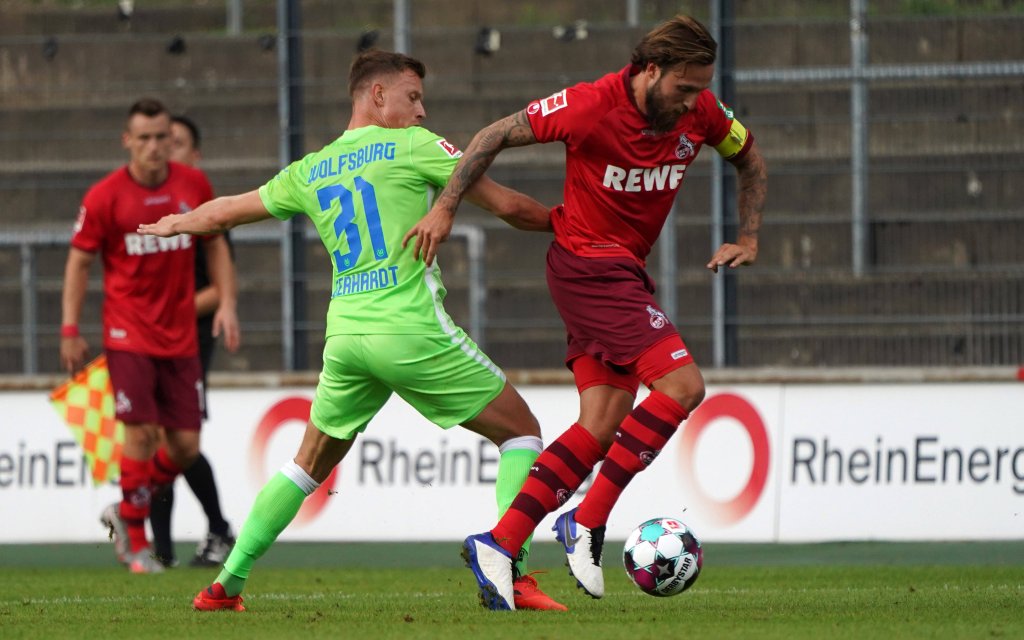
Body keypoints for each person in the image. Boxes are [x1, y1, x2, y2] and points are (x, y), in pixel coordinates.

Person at [138, 50, 565, 612]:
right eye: (412, 97)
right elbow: (508, 205)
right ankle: (514, 572)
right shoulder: (416, 145)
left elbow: (228, 211)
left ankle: (226, 584)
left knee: (306, 464)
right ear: (377, 96)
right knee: (522, 433)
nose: (421, 109)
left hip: (345, 338)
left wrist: (177, 221)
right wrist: (572, 224)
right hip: (408, 329)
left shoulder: (311, 168)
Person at [404, 15, 768, 609]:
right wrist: (446, 206)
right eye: (683, 88)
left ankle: (500, 542)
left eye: (701, 88)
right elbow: (492, 134)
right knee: (682, 385)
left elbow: (750, 159)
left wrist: (748, 236)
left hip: (621, 270)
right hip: (588, 266)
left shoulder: (702, 113)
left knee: (599, 425)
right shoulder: (590, 105)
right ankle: (588, 520)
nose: (692, 102)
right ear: (650, 70)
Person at [60, 98, 241, 574]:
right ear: (127, 142)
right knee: (139, 434)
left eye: (162, 137)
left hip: (180, 336)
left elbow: (217, 240)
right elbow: (79, 262)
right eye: (144, 138)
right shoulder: (105, 197)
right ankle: (137, 546)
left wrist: (226, 300)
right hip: (128, 333)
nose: (155, 147)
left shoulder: (193, 185)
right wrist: (69, 329)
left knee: (183, 446)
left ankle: (126, 511)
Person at [146, 114, 237, 568]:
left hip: (189, 338)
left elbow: (219, 285)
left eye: (175, 142)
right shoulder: (153, 208)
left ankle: (217, 530)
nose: (165, 149)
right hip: (152, 339)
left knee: (177, 441)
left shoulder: (202, 211)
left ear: (194, 155)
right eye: (160, 140)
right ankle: (162, 548)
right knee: (160, 441)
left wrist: (170, 311)